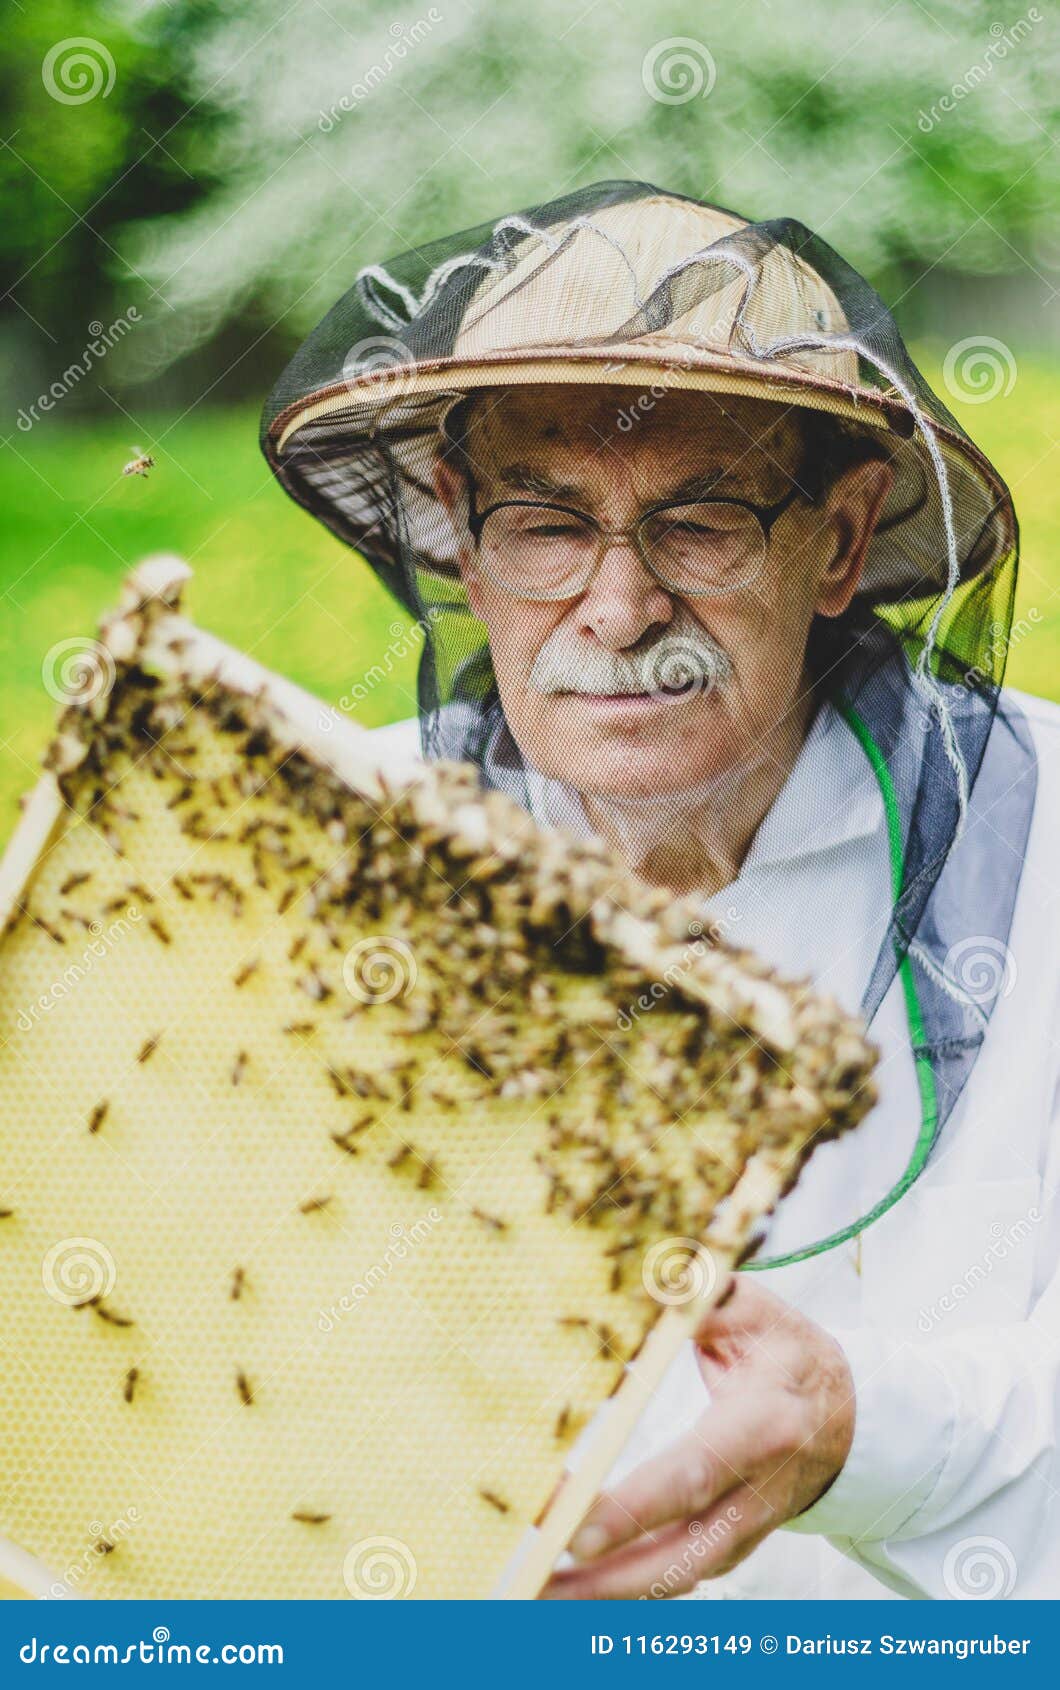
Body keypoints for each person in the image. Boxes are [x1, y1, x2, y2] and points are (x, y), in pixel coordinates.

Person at [263, 183, 1059, 1600]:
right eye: (545, 524)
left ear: (840, 535)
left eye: (697, 523)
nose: (618, 609)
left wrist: (863, 1428)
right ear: (458, 528)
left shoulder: (1047, 841)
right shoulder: (321, 854)